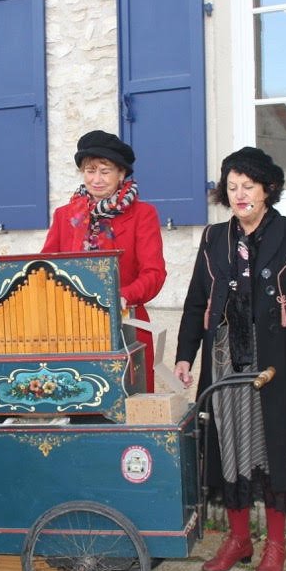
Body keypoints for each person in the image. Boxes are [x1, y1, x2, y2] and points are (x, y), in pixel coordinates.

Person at [174, 147, 286, 571]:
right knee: (231, 450)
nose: (240, 194)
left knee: (274, 451)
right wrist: (185, 355)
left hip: (280, 365)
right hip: (227, 361)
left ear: (268, 189)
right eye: (232, 187)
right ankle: (239, 539)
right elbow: (196, 302)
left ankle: (276, 545)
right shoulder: (213, 239)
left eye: (248, 186)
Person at [42, 130, 167, 392]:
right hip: (72, 329)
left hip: (126, 326)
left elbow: (154, 273)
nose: (96, 179)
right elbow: (45, 270)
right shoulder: (64, 215)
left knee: (129, 407)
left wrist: (120, 296)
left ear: (121, 174)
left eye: (105, 171)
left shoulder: (143, 214)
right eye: (90, 170)